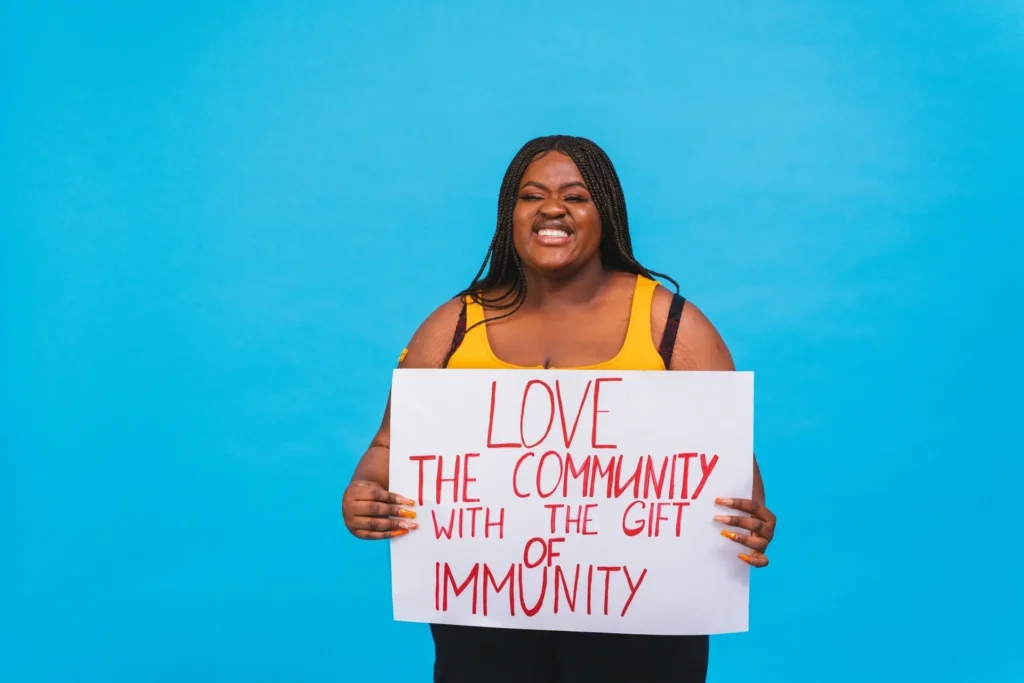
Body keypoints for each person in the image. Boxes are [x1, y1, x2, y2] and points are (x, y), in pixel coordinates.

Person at [341, 135, 777, 683]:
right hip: (486, 623)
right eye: (531, 195)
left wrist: (752, 517)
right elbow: (388, 447)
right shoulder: (453, 326)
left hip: (644, 630)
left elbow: (730, 464)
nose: (552, 208)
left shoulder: (671, 327)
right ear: (510, 214)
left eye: (576, 196)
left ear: (606, 214)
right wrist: (364, 492)